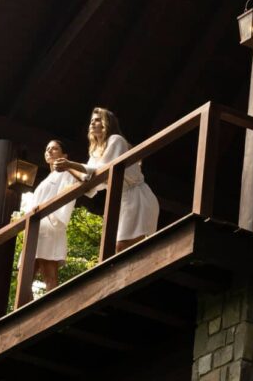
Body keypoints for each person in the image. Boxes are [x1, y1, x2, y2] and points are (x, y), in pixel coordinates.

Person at [54, 107, 159, 252]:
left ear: (107, 124)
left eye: (97, 120)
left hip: (137, 198)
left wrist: (70, 164)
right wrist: (68, 168)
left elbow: (101, 171)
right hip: (122, 200)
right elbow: (89, 180)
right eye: (92, 120)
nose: (92, 123)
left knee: (122, 248)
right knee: (120, 249)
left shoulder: (116, 140)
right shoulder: (95, 152)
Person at [21, 139, 80, 291]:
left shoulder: (67, 173)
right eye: (47, 149)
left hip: (51, 225)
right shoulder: (46, 179)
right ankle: (27, 305)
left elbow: (68, 194)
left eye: (54, 148)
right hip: (35, 228)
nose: (49, 151)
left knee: (49, 275)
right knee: (24, 277)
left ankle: (53, 305)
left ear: (64, 155)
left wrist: (48, 214)